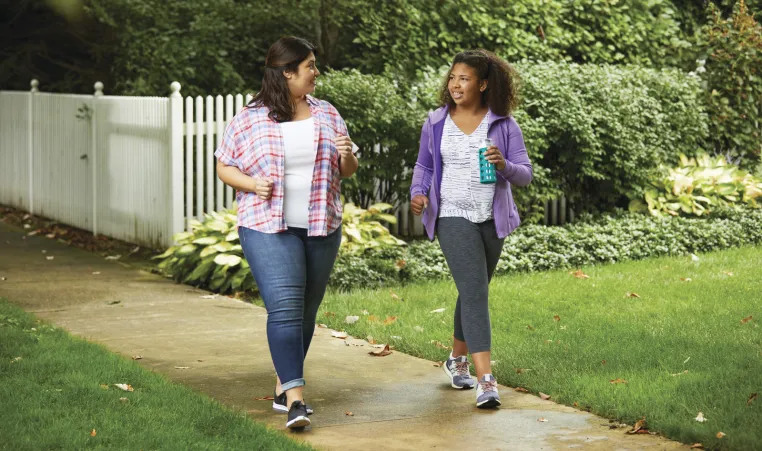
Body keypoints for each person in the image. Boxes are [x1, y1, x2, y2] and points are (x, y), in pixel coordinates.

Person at [215, 36, 358, 429]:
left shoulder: (327, 113)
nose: (316, 72)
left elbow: (347, 171)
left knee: (307, 312)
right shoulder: (249, 118)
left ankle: (283, 383)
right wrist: (250, 184)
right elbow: (224, 166)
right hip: (266, 226)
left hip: (321, 226)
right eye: (309, 66)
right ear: (287, 72)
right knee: (285, 309)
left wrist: (347, 157)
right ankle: (296, 400)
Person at [409, 49, 532, 409]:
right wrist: (418, 194)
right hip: (451, 214)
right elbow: (424, 166)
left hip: (492, 219)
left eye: (464, 78)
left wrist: (504, 164)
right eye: (452, 77)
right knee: (475, 290)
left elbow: (525, 174)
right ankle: (487, 381)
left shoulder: (504, 124)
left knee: (472, 289)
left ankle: (456, 359)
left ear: (482, 84)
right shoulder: (436, 121)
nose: (455, 84)